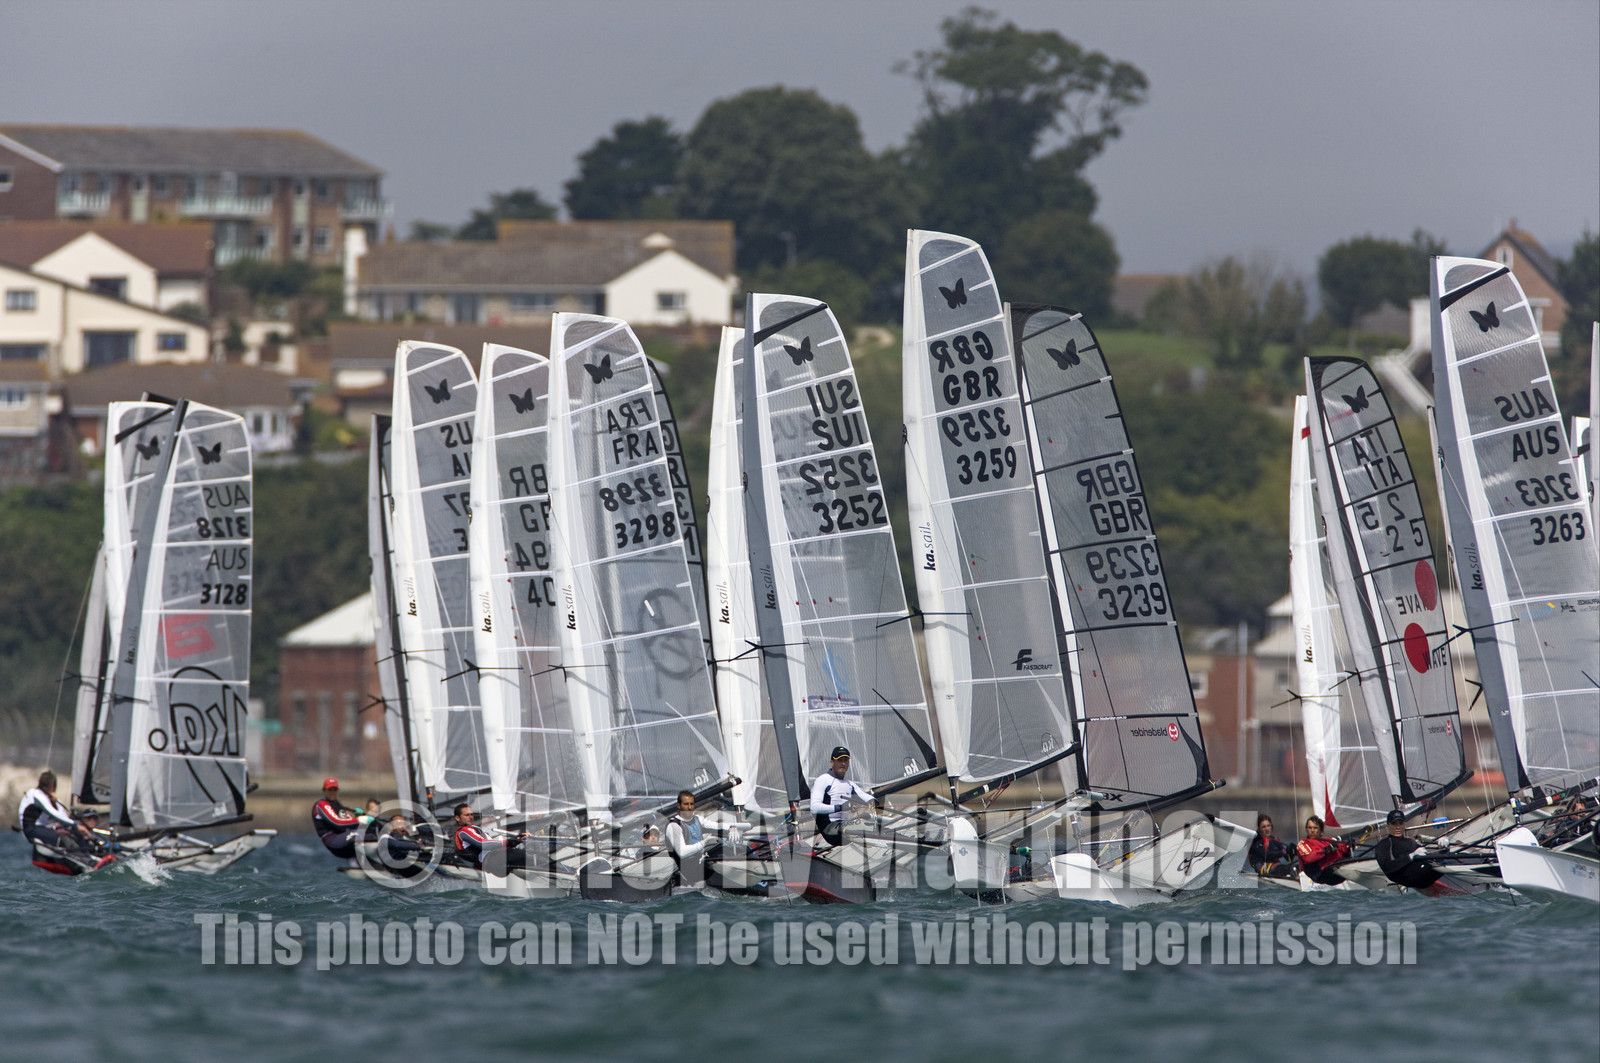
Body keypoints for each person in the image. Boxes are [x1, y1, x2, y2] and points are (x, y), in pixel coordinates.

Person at [809, 747, 874, 848]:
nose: (843, 763)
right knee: (868, 828)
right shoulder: (823, 780)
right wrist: (840, 807)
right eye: (839, 760)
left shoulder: (849, 784)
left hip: (845, 827)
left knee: (877, 826)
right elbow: (814, 807)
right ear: (832, 762)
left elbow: (864, 796)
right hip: (830, 830)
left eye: (845, 760)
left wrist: (872, 801)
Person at [18, 771, 91, 851]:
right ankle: (83, 857)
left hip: (42, 827)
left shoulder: (44, 796)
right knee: (62, 838)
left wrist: (56, 801)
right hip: (31, 830)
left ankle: (89, 854)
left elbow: (63, 815)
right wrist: (76, 826)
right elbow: (55, 815)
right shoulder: (37, 795)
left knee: (76, 834)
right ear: (52, 786)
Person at [450, 804, 531, 876]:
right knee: (530, 857)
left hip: (495, 861)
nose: (470, 817)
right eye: (467, 815)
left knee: (527, 856)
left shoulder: (473, 829)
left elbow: (493, 844)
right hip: (494, 860)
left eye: (471, 814)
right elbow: (482, 844)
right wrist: (509, 842)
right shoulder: (464, 831)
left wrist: (516, 839)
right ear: (457, 818)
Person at [1373, 809, 1444, 891]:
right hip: (1407, 879)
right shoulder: (1383, 844)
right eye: (1394, 824)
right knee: (1443, 863)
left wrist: (1442, 848)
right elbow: (1387, 867)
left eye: (1400, 823)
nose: (1398, 827)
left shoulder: (1410, 842)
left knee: (1446, 858)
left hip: (1424, 877)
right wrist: (1410, 857)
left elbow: (1426, 854)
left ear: (1404, 825)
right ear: (1388, 825)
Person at [311, 778, 370, 860]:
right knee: (358, 836)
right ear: (324, 790)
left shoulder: (338, 805)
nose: (332, 792)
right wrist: (359, 820)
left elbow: (348, 821)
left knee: (372, 834)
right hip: (332, 839)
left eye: (334, 790)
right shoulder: (322, 805)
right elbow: (337, 823)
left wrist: (357, 817)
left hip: (342, 836)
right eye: (329, 790)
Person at [665, 790, 712, 884]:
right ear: (678, 805)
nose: (689, 807)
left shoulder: (697, 820)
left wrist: (733, 828)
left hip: (701, 862)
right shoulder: (673, 826)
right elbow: (682, 852)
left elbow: (717, 826)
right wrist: (704, 843)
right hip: (686, 871)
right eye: (686, 804)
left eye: (691, 804)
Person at [1295, 814, 1351, 886]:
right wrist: (1325, 850)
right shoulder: (1303, 843)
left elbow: (1342, 849)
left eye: (1315, 828)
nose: (1312, 830)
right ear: (1306, 829)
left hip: (1334, 870)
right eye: (1309, 828)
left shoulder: (1328, 840)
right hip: (1319, 873)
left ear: (1321, 830)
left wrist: (1348, 847)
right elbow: (1309, 858)